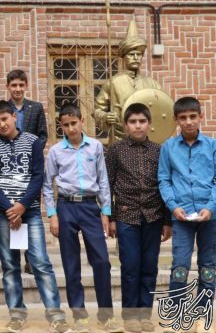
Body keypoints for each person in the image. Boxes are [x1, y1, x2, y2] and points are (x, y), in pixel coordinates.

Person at [0, 101, 70, 333]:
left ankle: (55, 315)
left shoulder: (32, 142)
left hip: (29, 213)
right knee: (10, 265)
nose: (2, 124)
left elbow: (38, 176)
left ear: (14, 116)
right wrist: (10, 210)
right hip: (3, 215)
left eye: (5, 119)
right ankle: (17, 315)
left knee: (40, 262)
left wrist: (21, 206)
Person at [43, 104, 122, 333]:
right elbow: (47, 185)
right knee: (71, 264)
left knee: (102, 261)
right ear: (61, 126)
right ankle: (79, 315)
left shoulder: (95, 147)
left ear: (82, 121)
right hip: (65, 207)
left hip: (90, 207)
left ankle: (106, 316)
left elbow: (103, 180)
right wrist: (52, 215)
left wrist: (105, 211)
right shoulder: (56, 151)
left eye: (74, 123)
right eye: (66, 125)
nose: (71, 128)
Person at [106, 103, 172, 333]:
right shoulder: (116, 150)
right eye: (133, 122)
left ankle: (145, 315)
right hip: (127, 216)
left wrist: (167, 221)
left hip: (153, 216)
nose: (137, 126)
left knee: (149, 267)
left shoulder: (159, 150)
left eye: (142, 121)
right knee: (131, 266)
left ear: (149, 124)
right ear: (126, 125)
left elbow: (165, 185)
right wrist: (111, 217)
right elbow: (108, 185)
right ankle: (130, 315)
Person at [158, 97, 216, 327]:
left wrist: (210, 207)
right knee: (180, 265)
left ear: (201, 116)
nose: (188, 122)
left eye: (193, 116)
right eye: (183, 118)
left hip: (210, 216)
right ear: (176, 120)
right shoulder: (168, 148)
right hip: (181, 217)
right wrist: (173, 206)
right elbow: (164, 180)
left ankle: (202, 315)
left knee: (208, 265)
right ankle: (177, 313)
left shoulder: (212, 146)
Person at [6, 69, 48, 275]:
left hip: (30, 168)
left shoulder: (36, 108)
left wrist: (29, 152)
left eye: (21, 85)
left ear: (26, 86)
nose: (17, 89)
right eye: (14, 85)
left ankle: (31, 259)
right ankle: (15, 258)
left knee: (31, 210)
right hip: (9, 170)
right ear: (8, 87)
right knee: (14, 213)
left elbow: (43, 135)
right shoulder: (3, 108)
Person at [94, 19, 161, 141]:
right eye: (131, 54)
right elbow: (98, 109)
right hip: (120, 139)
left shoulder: (153, 84)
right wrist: (106, 117)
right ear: (124, 57)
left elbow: (161, 110)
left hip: (147, 140)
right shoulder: (113, 82)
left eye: (138, 54)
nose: (135, 58)